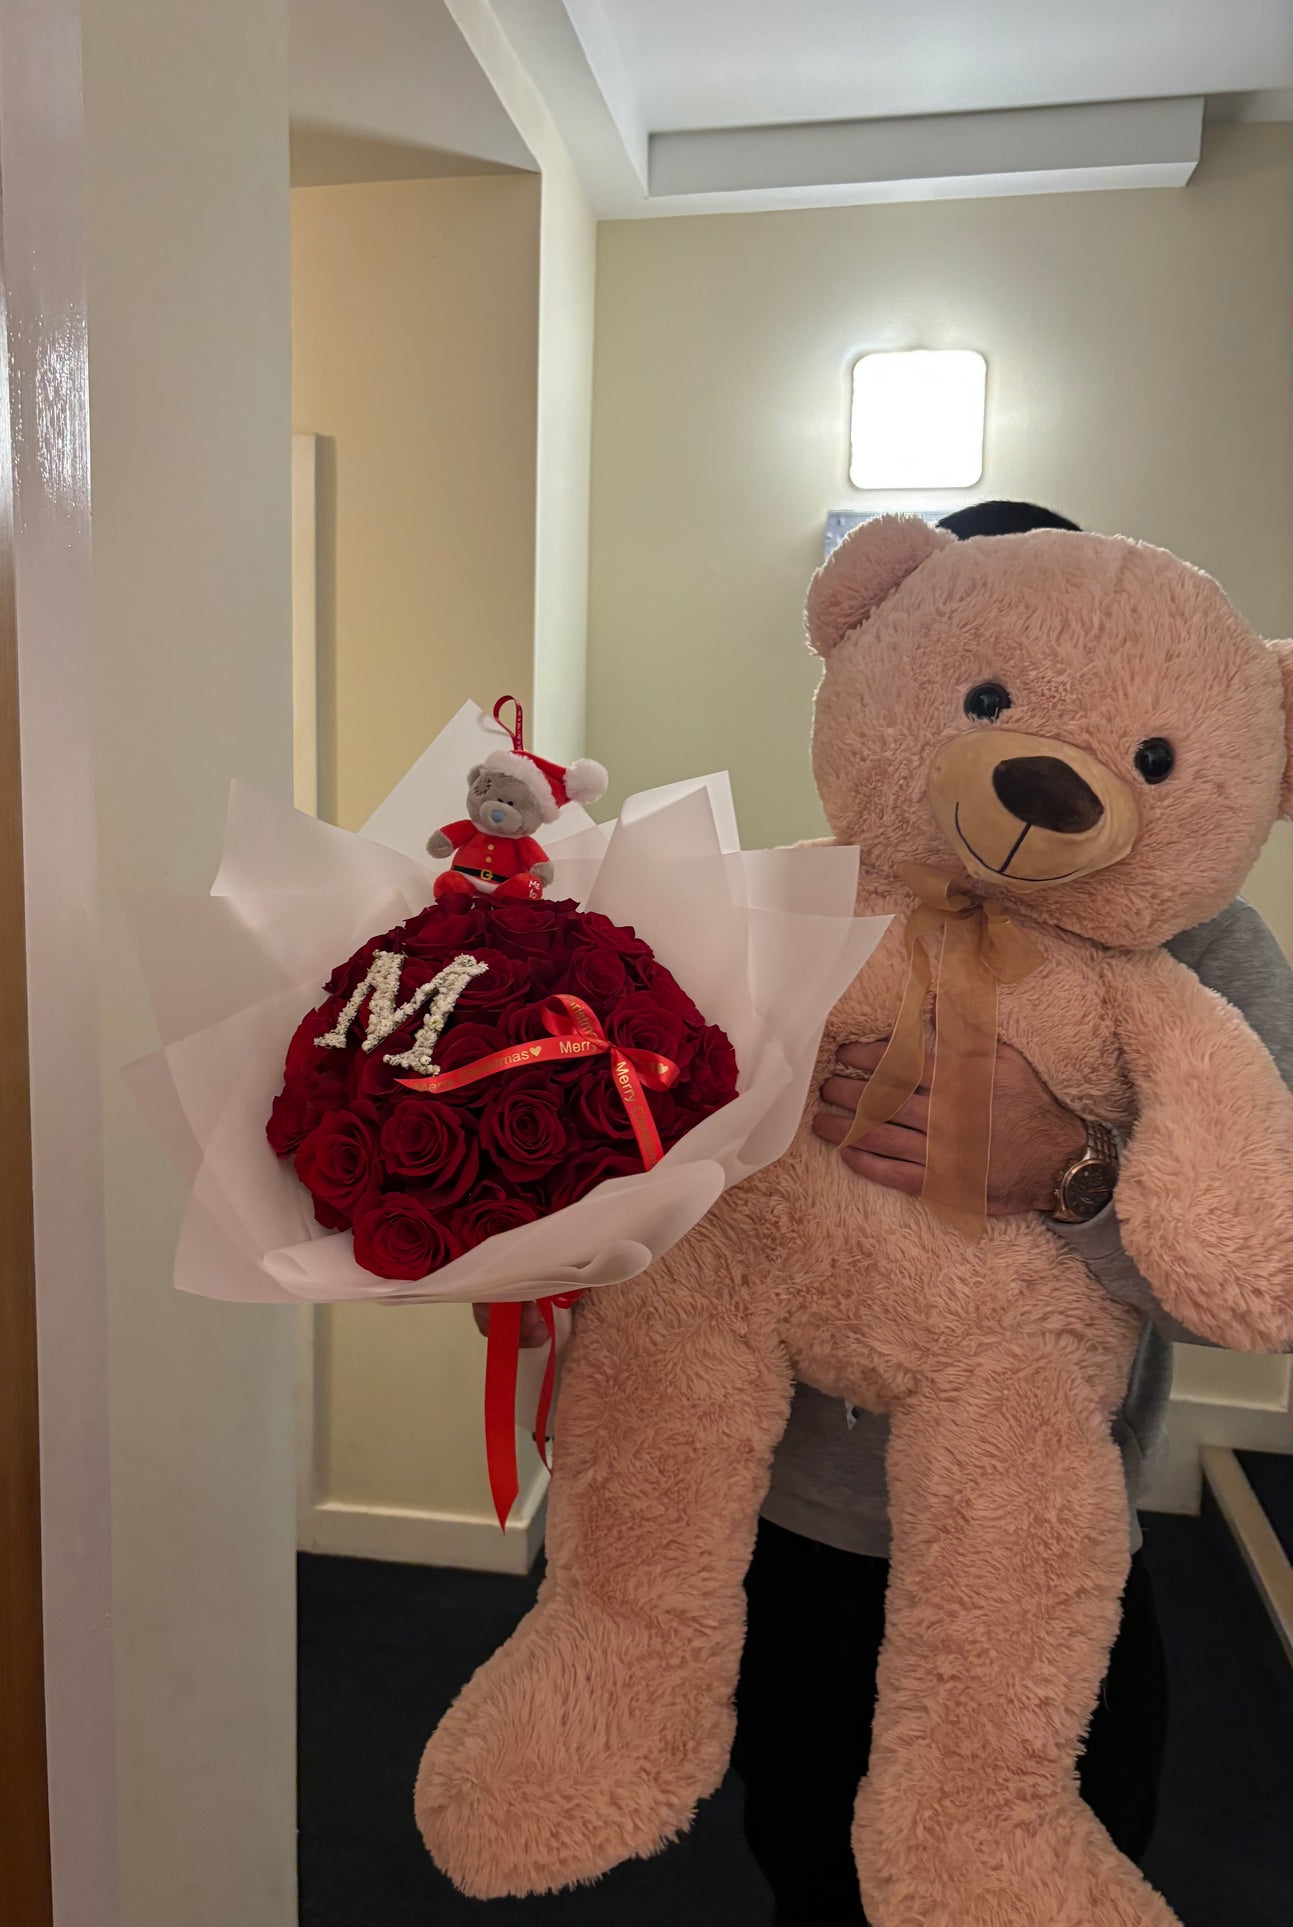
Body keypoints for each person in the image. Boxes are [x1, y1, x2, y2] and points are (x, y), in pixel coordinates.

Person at [474, 500, 1293, 1925]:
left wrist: (1066, 1171)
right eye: (983, 688)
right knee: (804, 1858)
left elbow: (1257, 1267)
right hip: (784, 1510)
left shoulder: (1205, 951)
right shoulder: (794, 901)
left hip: (1030, 1503)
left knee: (1028, 1814)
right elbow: (615, 1075)